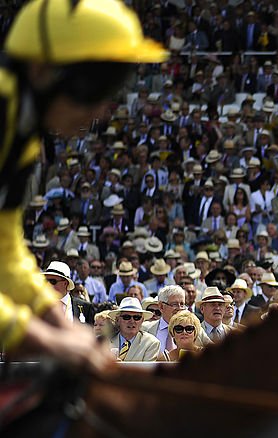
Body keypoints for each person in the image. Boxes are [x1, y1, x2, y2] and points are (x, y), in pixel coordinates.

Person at [0, 0, 164, 372]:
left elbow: (5, 250)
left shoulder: (23, 134)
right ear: (42, 69)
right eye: (97, 85)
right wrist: (48, 339)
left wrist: (63, 325)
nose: (104, 108)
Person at [110, 297, 160, 362]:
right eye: (126, 317)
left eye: (137, 317)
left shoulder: (151, 343)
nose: (132, 321)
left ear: (142, 320)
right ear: (117, 320)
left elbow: (147, 371)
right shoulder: (105, 342)